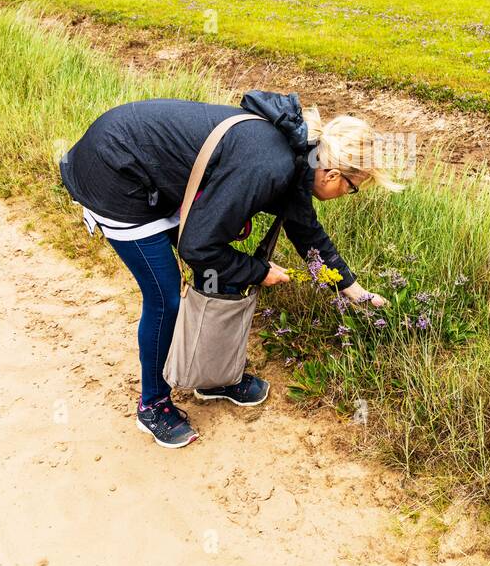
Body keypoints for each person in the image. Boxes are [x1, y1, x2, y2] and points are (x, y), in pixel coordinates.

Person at [59, 90, 401, 448]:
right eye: (353, 189)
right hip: (115, 171)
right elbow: (198, 247)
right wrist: (257, 271)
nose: (349, 196)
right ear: (332, 175)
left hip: (152, 170)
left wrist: (353, 291)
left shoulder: (300, 161)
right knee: (166, 297)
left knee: (222, 268)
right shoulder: (269, 167)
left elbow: (306, 231)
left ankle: (212, 376)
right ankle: (153, 405)